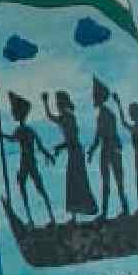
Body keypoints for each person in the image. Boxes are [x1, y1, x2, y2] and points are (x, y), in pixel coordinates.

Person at [2, 92, 57, 228]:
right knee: (33, 187)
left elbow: (13, 139)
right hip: (27, 162)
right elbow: (40, 146)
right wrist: (48, 155)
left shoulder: (22, 131)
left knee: (33, 187)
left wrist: (2, 135)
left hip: (28, 162)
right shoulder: (28, 130)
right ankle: (42, 217)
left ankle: (41, 218)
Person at [42, 90, 98, 221]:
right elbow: (51, 117)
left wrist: (60, 147)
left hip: (76, 152)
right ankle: (75, 215)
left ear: (63, 104)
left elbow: (71, 140)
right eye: (57, 103)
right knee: (73, 182)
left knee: (76, 182)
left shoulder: (69, 118)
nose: (57, 105)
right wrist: (45, 103)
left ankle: (80, 212)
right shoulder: (66, 117)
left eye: (58, 103)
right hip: (74, 152)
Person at [88, 77, 129, 220]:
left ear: (100, 98)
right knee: (107, 182)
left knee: (117, 181)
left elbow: (108, 135)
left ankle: (123, 209)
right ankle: (106, 213)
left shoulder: (108, 115)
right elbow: (97, 136)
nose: (93, 98)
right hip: (106, 149)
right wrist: (92, 151)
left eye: (94, 96)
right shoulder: (101, 115)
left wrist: (94, 150)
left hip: (111, 149)